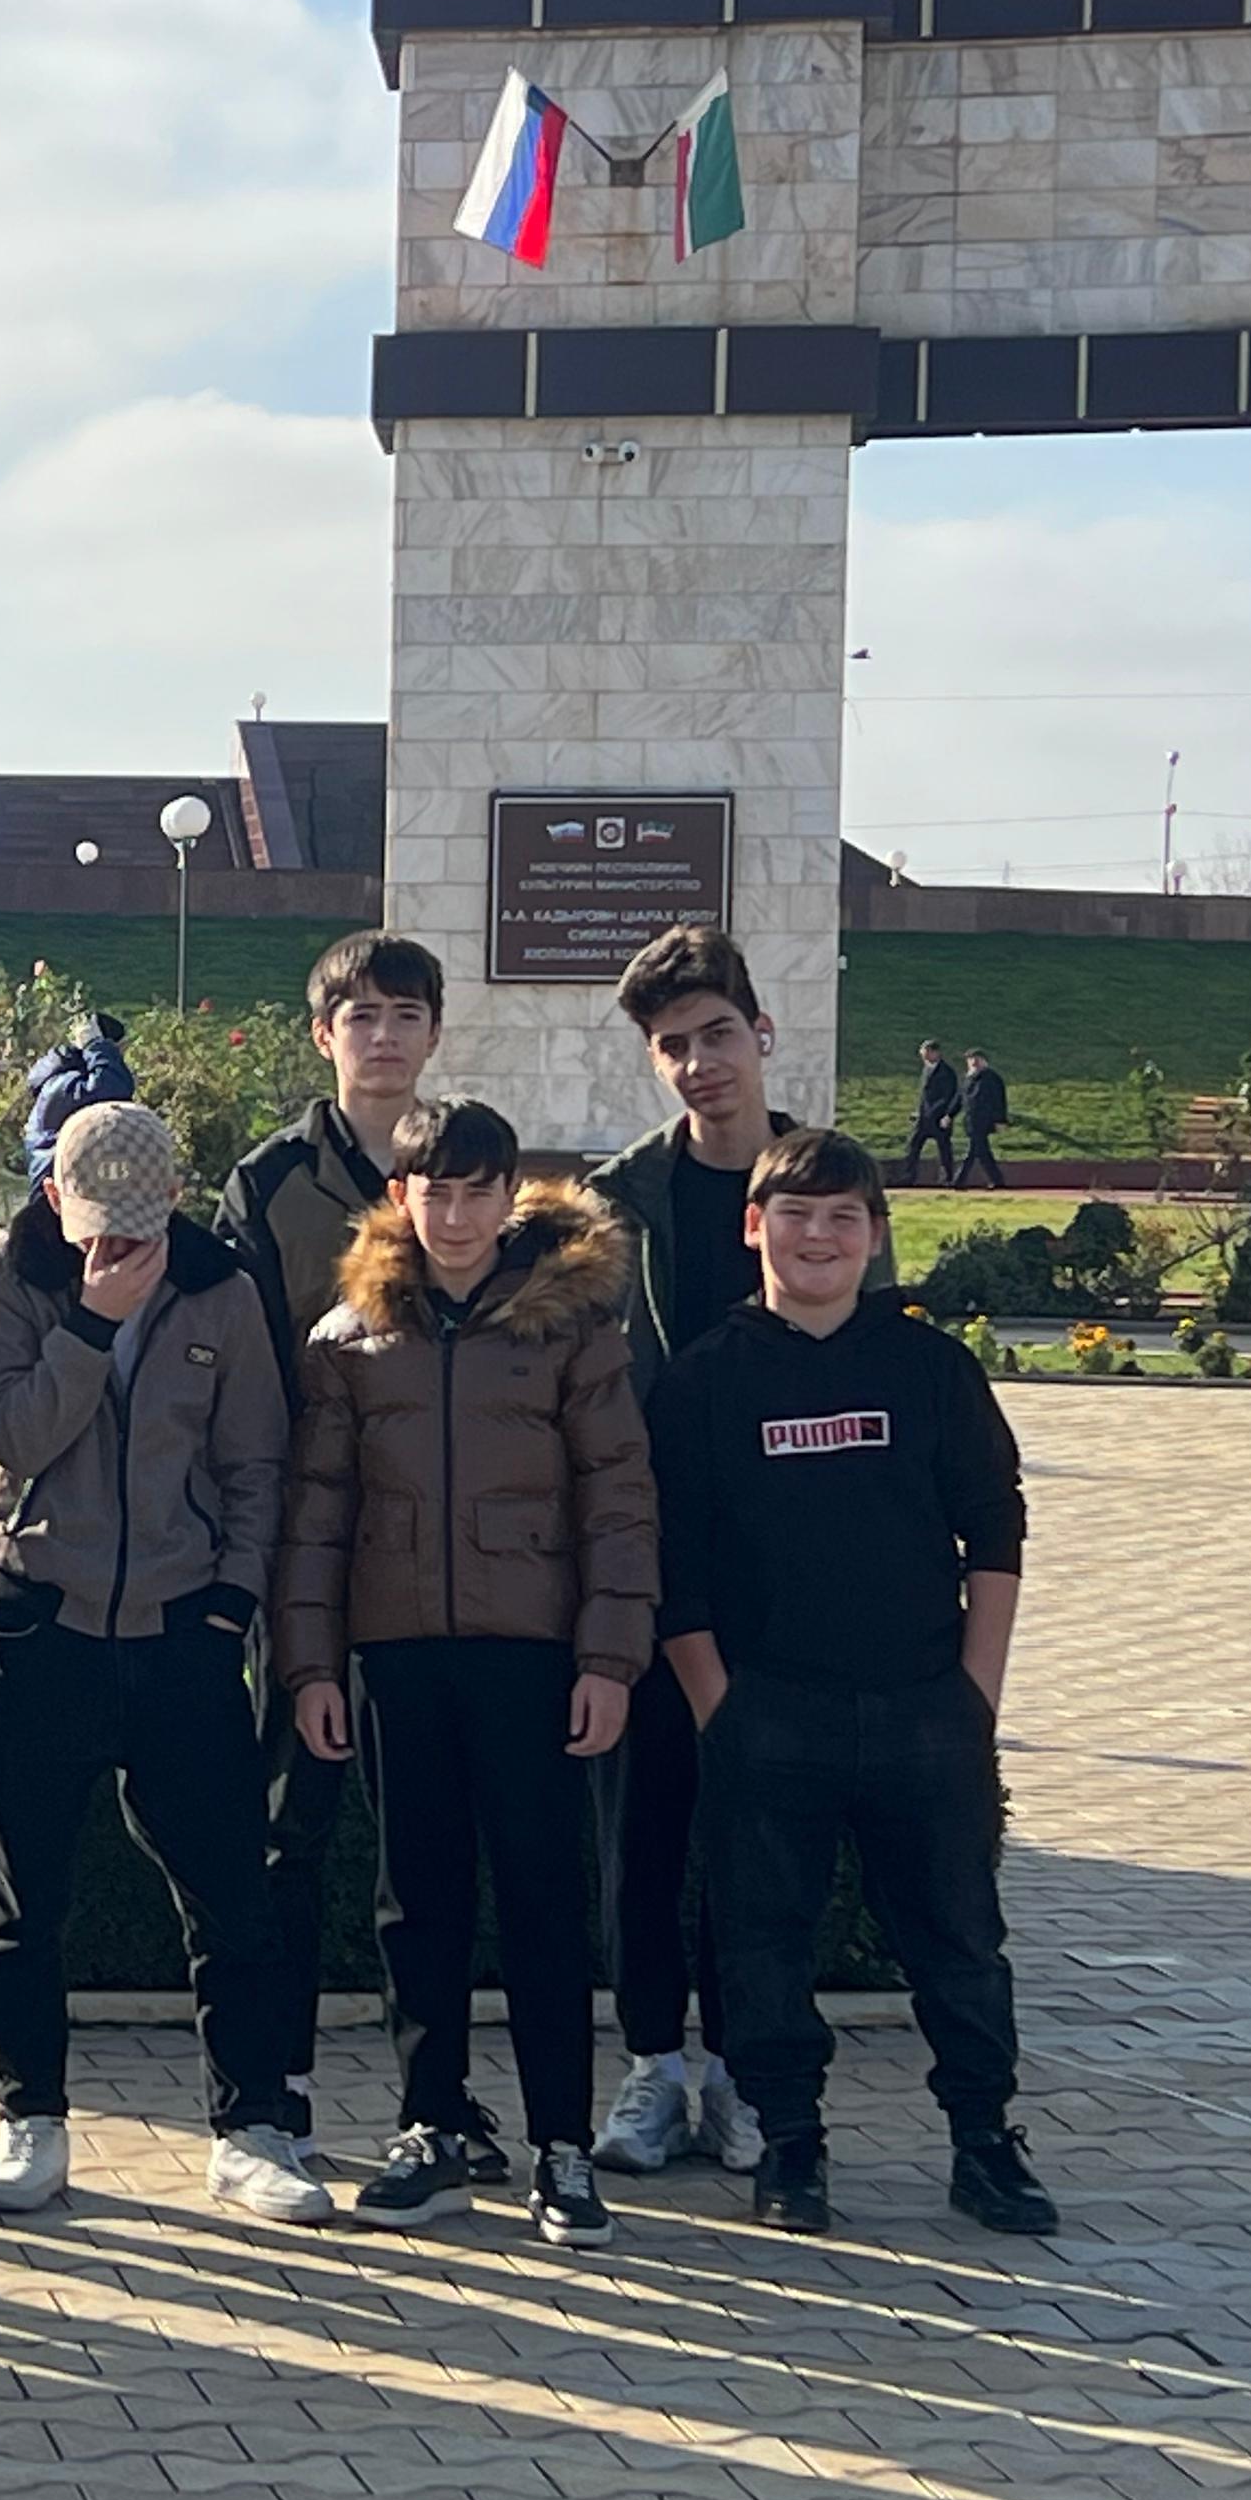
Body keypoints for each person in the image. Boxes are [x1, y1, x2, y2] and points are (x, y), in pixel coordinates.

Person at [654, 1127, 1057, 2238]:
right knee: (763, 1946)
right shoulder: (704, 1378)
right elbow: (672, 1565)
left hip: (926, 1708)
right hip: (769, 1714)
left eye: (844, 1217)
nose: (819, 1237)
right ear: (755, 1227)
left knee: (960, 1944)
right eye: (796, 1214)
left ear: (876, 1236)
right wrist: (718, 1708)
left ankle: (985, 2141)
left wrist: (977, 1693)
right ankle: (790, 2144)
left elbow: (996, 1528)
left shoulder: (931, 1368)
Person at [275, 1099, 656, 2249]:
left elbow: (618, 1500)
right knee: (416, 1900)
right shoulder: (351, 1337)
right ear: (400, 1198)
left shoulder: (573, 1327)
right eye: (432, 1191)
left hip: (532, 1655)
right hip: (397, 1656)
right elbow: (316, 1515)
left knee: (542, 1898)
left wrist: (609, 1658)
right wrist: (312, 1667)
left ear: (507, 1196)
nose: (453, 1214)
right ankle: (431, 2125)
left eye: (475, 1191)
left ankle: (561, 2144)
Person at [0, 1100, 322, 2224]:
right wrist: (91, 1323)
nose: (116, 1241)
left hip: (181, 1634)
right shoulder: (9, 1282)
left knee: (232, 1897)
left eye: (139, 1217)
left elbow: (256, 1462)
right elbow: (19, 1436)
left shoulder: (221, 1289)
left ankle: (251, 2127)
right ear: (51, 1197)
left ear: (174, 1195)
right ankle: (32, 2117)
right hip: (39, 1623)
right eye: (93, 1218)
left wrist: (230, 1606)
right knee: (22, 1898)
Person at [583, 924, 837, 2183]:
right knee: (645, 1824)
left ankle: (739, 2067)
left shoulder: (822, 1184)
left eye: (718, 1035)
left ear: (762, 1034)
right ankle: (651, 2064)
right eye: (673, 1045)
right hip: (646, 1561)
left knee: (764, 1828)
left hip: (784, 1570)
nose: (700, 1063)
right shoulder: (617, 1200)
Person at [217, 927, 447, 2164]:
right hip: (306, 1540)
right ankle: (281, 2079)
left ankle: (438, 2097)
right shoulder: (268, 1182)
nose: (385, 1037)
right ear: (324, 1035)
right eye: (363, 1016)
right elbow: (240, 1366)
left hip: (438, 1543)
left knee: (429, 1827)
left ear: (435, 1033)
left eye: (407, 1015)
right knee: (288, 1821)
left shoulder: (465, 1165)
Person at [19, 1009, 135, 1198]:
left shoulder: (63, 1081)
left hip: (62, 1193)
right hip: (57, 1199)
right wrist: (96, 1045)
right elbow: (114, 1087)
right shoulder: (63, 1085)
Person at [900, 1041, 959, 1186]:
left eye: (926, 1054)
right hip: (923, 1118)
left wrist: (945, 1115)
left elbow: (948, 1096)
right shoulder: (926, 1069)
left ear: (935, 1053)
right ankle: (908, 1176)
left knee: (944, 1148)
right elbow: (924, 1095)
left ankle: (947, 1178)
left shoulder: (946, 1072)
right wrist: (918, 1111)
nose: (924, 1057)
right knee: (913, 1146)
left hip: (939, 1118)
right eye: (922, 1054)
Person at [955, 1049, 1011, 1190]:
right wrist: (949, 1115)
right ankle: (997, 1180)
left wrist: (1000, 1120)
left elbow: (999, 1100)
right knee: (982, 1152)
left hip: (984, 1120)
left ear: (984, 1061)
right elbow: (960, 1099)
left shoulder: (991, 1078)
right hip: (971, 1120)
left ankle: (959, 1180)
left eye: (977, 1059)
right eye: (970, 1059)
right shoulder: (967, 1079)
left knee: (973, 1151)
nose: (973, 1062)